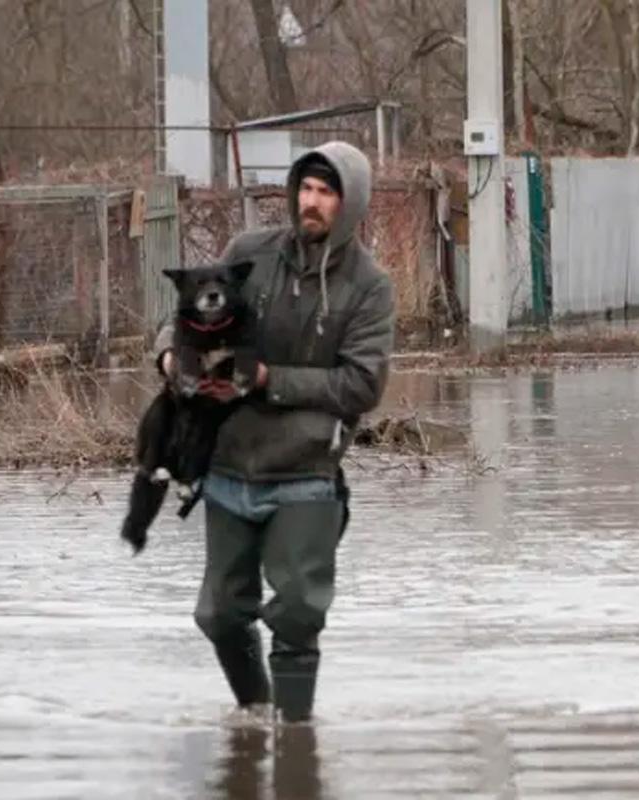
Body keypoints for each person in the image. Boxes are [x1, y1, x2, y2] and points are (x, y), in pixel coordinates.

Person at [154, 141, 395, 722]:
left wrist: (266, 379)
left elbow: (361, 386)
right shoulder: (249, 253)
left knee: (295, 614)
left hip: (307, 472)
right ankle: (256, 717)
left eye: (326, 193)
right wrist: (170, 356)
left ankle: (295, 741)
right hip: (229, 466)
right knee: (218, 613)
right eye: (305, 189)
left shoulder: (369, 286)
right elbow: (185, 317)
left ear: (350, 204)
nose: (311, 203)